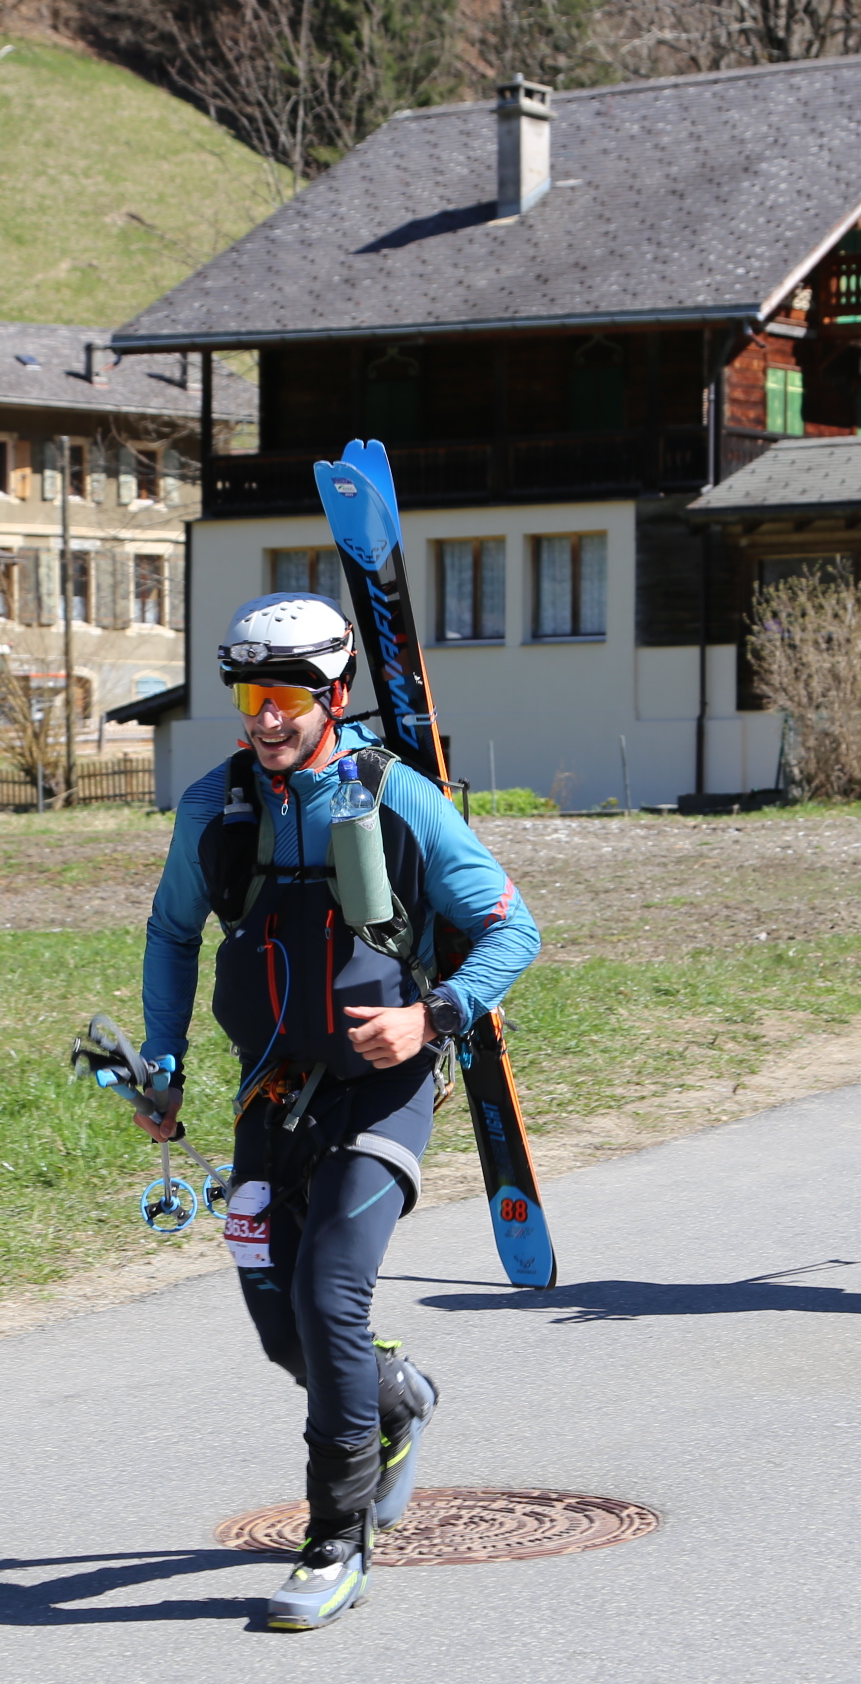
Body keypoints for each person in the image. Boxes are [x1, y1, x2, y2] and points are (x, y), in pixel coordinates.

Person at [135, 591, 541, 1629]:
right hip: (273, 1089)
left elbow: (514, 930)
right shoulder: (216, 807)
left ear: (336, 692)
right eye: (249, 696)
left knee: (329, 1301)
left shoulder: (398, 800)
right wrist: (165, 1062)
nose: (266, 716)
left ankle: (334, 1542)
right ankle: (394, 1398)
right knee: (284, 1330)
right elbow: (173, 934)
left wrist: (431, 1016)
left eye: (288, 694)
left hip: (382, 1087)